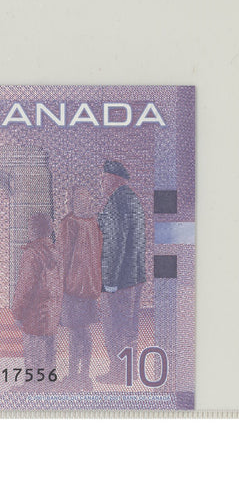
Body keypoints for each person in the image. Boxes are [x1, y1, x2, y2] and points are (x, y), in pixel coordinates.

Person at [96, 160, 148, 384]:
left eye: (103, 178)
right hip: (134, 277)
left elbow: (114, 244)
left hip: (119, 280)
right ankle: (129, 372)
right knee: (129, 329)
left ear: (113, 179)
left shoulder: (117, 202)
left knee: (115, 327)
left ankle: (118, 373)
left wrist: (109, 281)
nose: (101, 182)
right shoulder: (132, 199)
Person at [57, 186, 103, 389]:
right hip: (90, 287)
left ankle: (73, 376)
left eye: (69, 198)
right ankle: (84, 376)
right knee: (84, 332)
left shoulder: (69, 223)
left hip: (72, 286)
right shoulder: (94, 224)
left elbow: (63, 256)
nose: (67, 202)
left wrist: (57, 284)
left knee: (75, 333)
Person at [12, 214, 64, 377]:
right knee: (49, 351)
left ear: (33, 230)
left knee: (33, 353)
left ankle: (33, 386)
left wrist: (17, 312)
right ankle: (48, 384)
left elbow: (25, 286)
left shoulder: (32, 254)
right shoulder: (55, 251)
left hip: (34, 313)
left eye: (30, 227)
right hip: (51, 311)